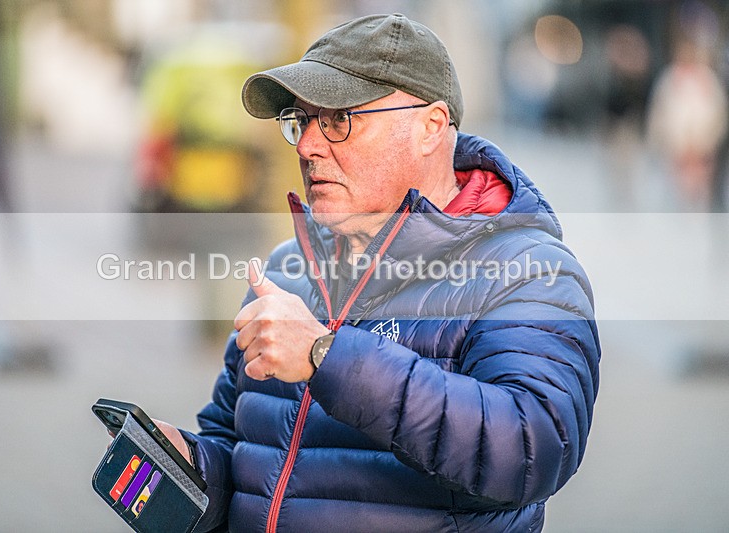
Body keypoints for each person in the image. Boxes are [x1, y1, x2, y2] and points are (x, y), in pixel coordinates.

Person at [151, 13, 600, 532]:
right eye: (301, 121)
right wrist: (191, 466)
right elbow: (241, 455)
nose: (307, 146)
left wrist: (326, 357)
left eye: (339, 119)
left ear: (431, 127)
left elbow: (533, 449)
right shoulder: (288, 269)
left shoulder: (526, 270)